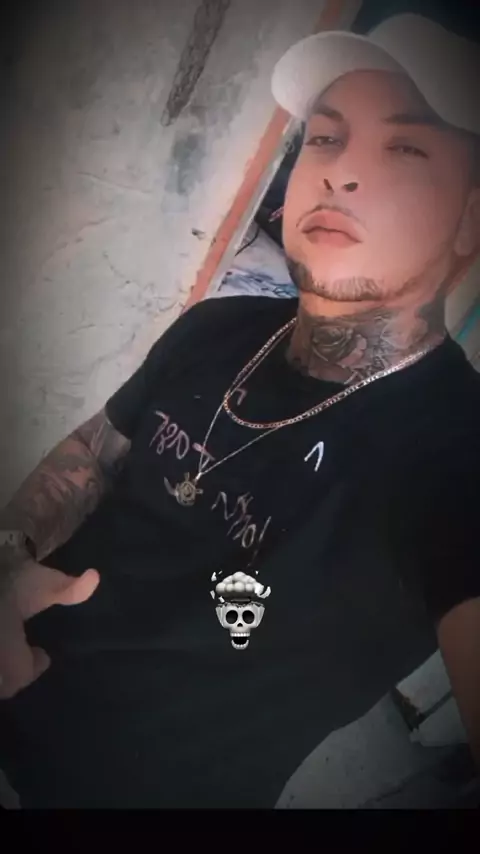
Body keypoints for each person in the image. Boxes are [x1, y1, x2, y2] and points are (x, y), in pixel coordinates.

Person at [0, 12, 479, 808]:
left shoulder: (453, 451)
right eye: (325, 137)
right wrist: (8, 555)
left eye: (405, 148)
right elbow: (93, 452)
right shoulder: (219, 325)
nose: (340, 172)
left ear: (470, 220)